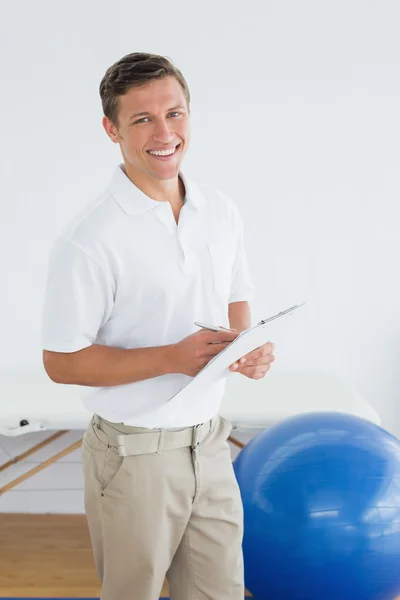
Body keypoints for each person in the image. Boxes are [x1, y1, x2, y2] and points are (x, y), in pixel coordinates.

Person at [41, 52, 275, 600]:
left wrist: (248, 347)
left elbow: (236, 297)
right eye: (142, 119)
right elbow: (61, 362)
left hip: (210, 442)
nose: (164, 132)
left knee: (221, 593)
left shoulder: (219, 210)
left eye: (175, 113)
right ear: (111, 129)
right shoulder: (88, 240)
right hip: (132, 456)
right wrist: (172, 357)